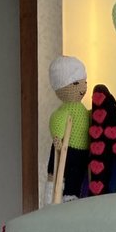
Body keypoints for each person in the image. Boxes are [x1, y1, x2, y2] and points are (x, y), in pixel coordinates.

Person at [46, 55, 90, 203]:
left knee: (78, 174)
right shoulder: (65, 110)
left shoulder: (83, 110)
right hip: (68, 148)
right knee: (64, 173)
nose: (83, 88)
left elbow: (87, 118)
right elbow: (57, 120)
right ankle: (64, 196)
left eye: (84, 82)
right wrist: (57, 137)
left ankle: (73, 194)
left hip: (83, 150)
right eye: (76, 83)